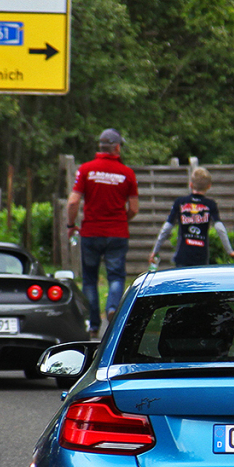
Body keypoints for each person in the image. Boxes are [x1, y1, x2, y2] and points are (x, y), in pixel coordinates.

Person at [66, 128, 139, 338]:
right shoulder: (127, 173)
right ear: (117, 147)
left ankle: (94, 325)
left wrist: (71, 225)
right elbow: (133, 208)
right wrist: (120, 220)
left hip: (91, 232)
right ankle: (113, 308)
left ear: (100, 146)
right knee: (115, 276)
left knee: (89, 279)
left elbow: (73, 201)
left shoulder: (87, 170)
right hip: (117, 233)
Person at [148, 167, 234, 269]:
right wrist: (230, 251)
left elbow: (166, 229)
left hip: (182, 256)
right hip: (201, 257)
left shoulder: (180, 202)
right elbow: (220, 229)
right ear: (209, 186)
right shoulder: (210, 204)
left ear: (191, 184)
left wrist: (155, 250)